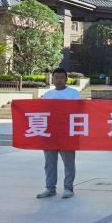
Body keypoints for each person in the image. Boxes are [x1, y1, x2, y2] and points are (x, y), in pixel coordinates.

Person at [36, 67, 81, 199]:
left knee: (68, 162)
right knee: (49, 162)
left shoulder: (73, 94)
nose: (59, 80)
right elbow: (43, 113)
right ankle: (50, 188)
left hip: (67, 133)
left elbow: (78, 111)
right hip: (50, 133)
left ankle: (68, 188)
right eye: (56, 77)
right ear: (53, 79)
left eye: (62, 77)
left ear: (66, 79)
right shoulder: (48, 95)